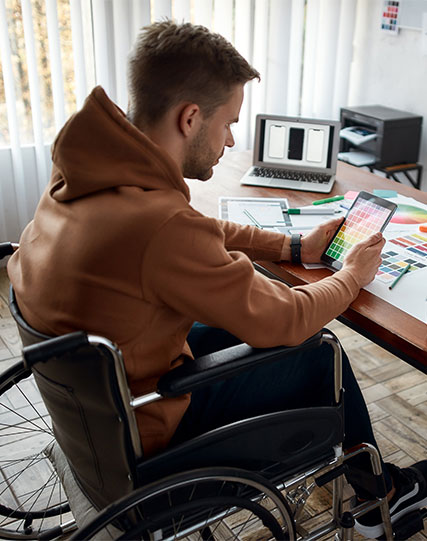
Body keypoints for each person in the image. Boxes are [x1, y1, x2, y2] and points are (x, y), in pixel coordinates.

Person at [7, 21, 426, 539]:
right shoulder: (158, 225)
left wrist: (292, 246)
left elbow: (197, 231)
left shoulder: (84, 178)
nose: (231, 139)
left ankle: (372, 490)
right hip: (154, 432)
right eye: (228, 123)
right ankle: (378, 502)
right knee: (321, 351)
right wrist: (353, 276)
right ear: (189, 118)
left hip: (107, 411)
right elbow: (288, 319)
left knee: (231, 323)